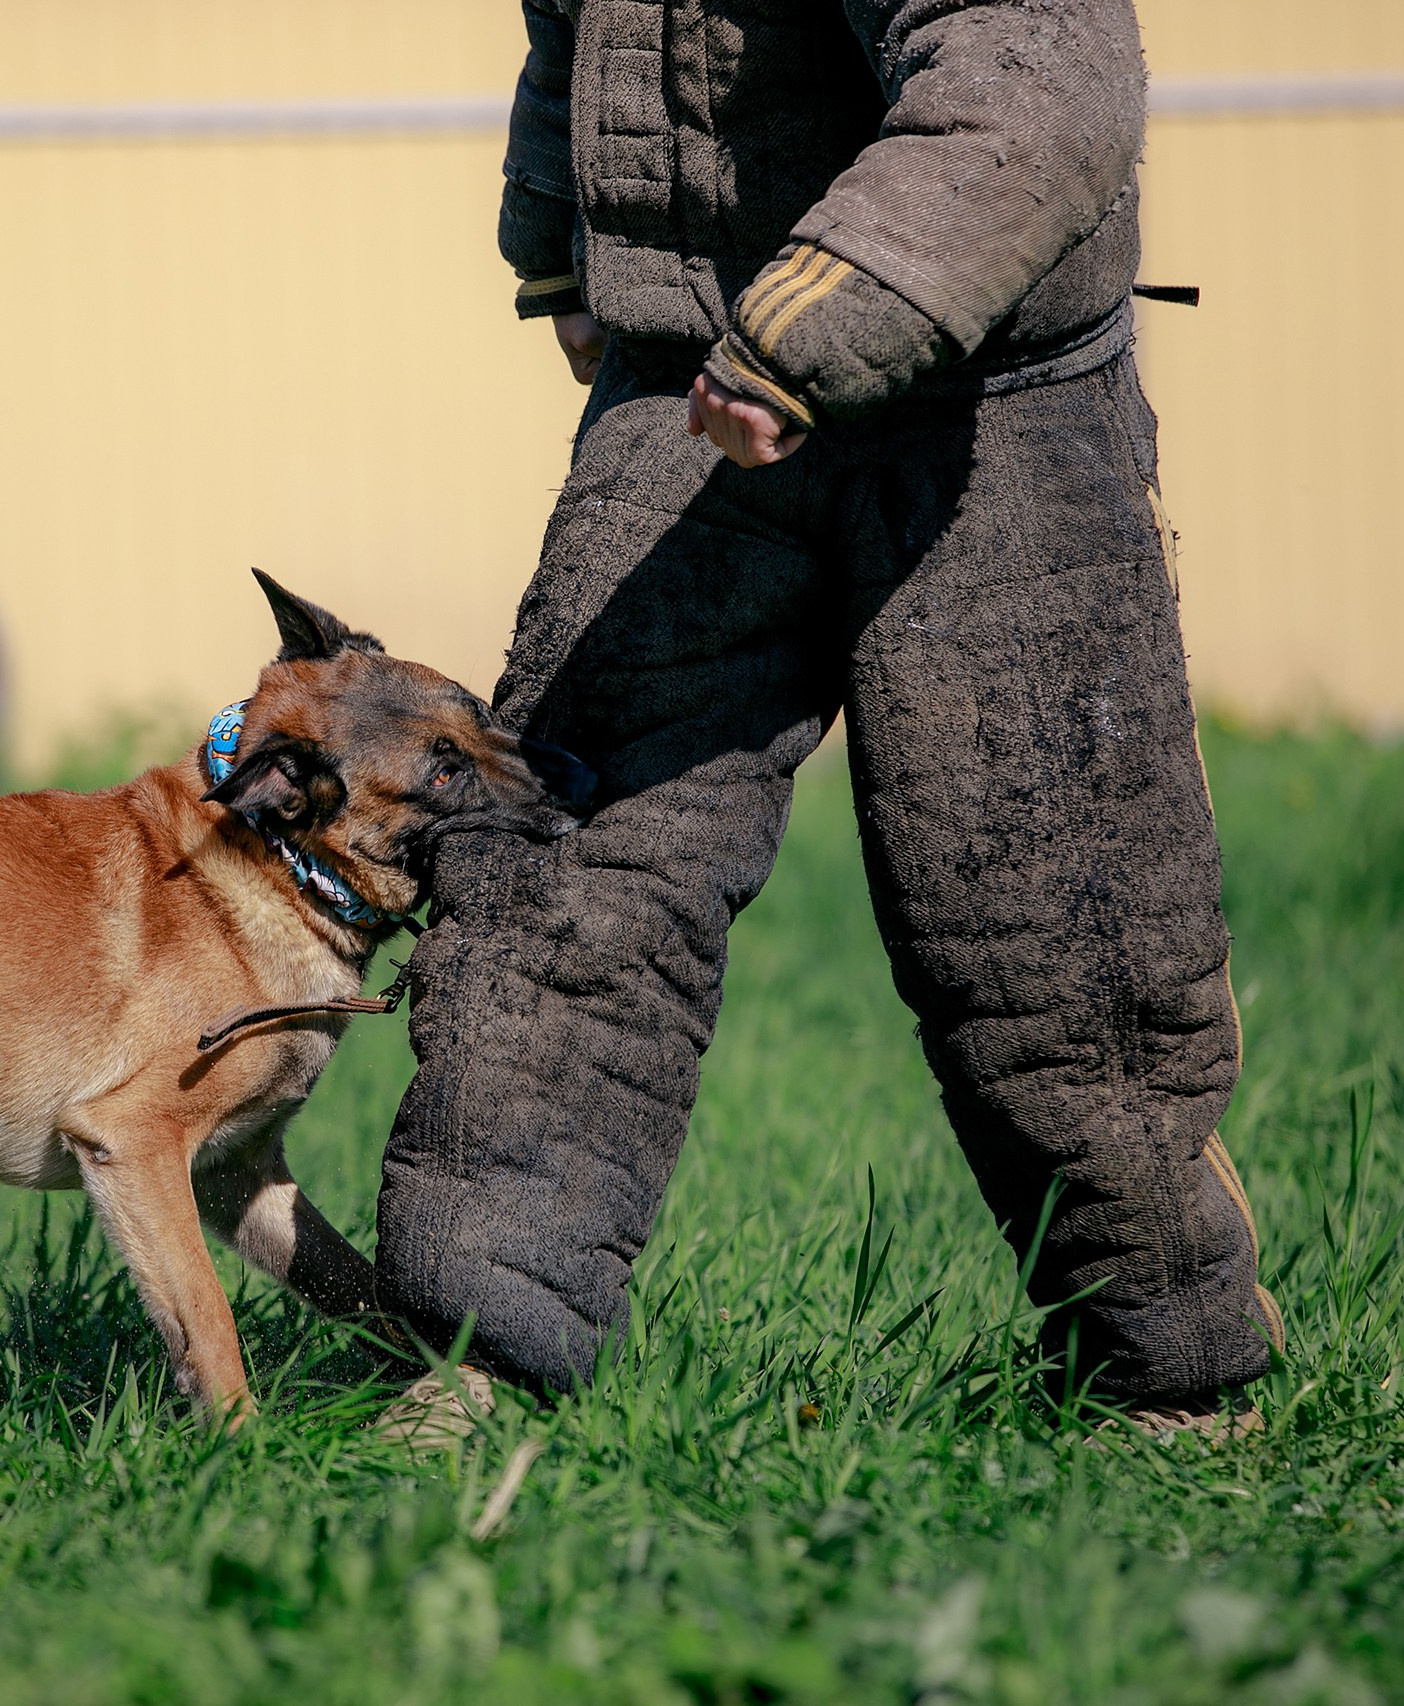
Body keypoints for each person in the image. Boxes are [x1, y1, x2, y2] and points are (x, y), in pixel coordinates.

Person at [372, 0, 1284, 1429]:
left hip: (994, 401)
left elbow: (1040, 78)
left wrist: (812, 327)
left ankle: (1173, 1375)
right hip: (692, 381)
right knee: (561, 883)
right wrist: (563, 244)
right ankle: (472, 1359)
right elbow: (581, 29)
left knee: (1051, 927)